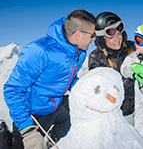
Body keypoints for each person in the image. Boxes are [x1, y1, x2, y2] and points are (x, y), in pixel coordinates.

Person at [4, 9, 96, 149]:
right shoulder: (39, 51)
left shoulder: (78, 51)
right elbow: (13, 90)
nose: (94, 38)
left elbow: (68, 78)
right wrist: (27, 130)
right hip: (32, 113)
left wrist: (87, 89)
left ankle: (51, 143)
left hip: (56, 105)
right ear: (78, 35)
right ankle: (5, 135)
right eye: (92, 34)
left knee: (80, 109)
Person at [88, 12, 136, 125]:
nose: (117, 38)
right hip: (108, 114)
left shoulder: (131, 48)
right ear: (101, 38)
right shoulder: (96, 58)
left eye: (119, 33)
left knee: (128, 141)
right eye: (111, 35)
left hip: (128, 112)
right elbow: (99, 90)